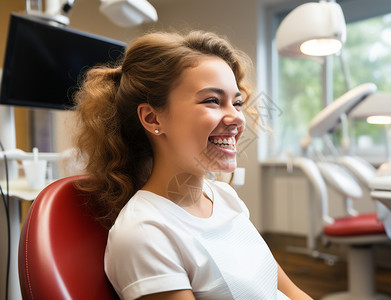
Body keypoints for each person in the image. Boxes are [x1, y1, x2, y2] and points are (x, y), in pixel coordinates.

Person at [73, 30, 312, 300]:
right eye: (212, 100)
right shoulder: (145, 233)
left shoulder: (224, 197)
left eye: (237, 103)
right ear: (153, 118)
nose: (237, 118)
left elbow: (288, 291)